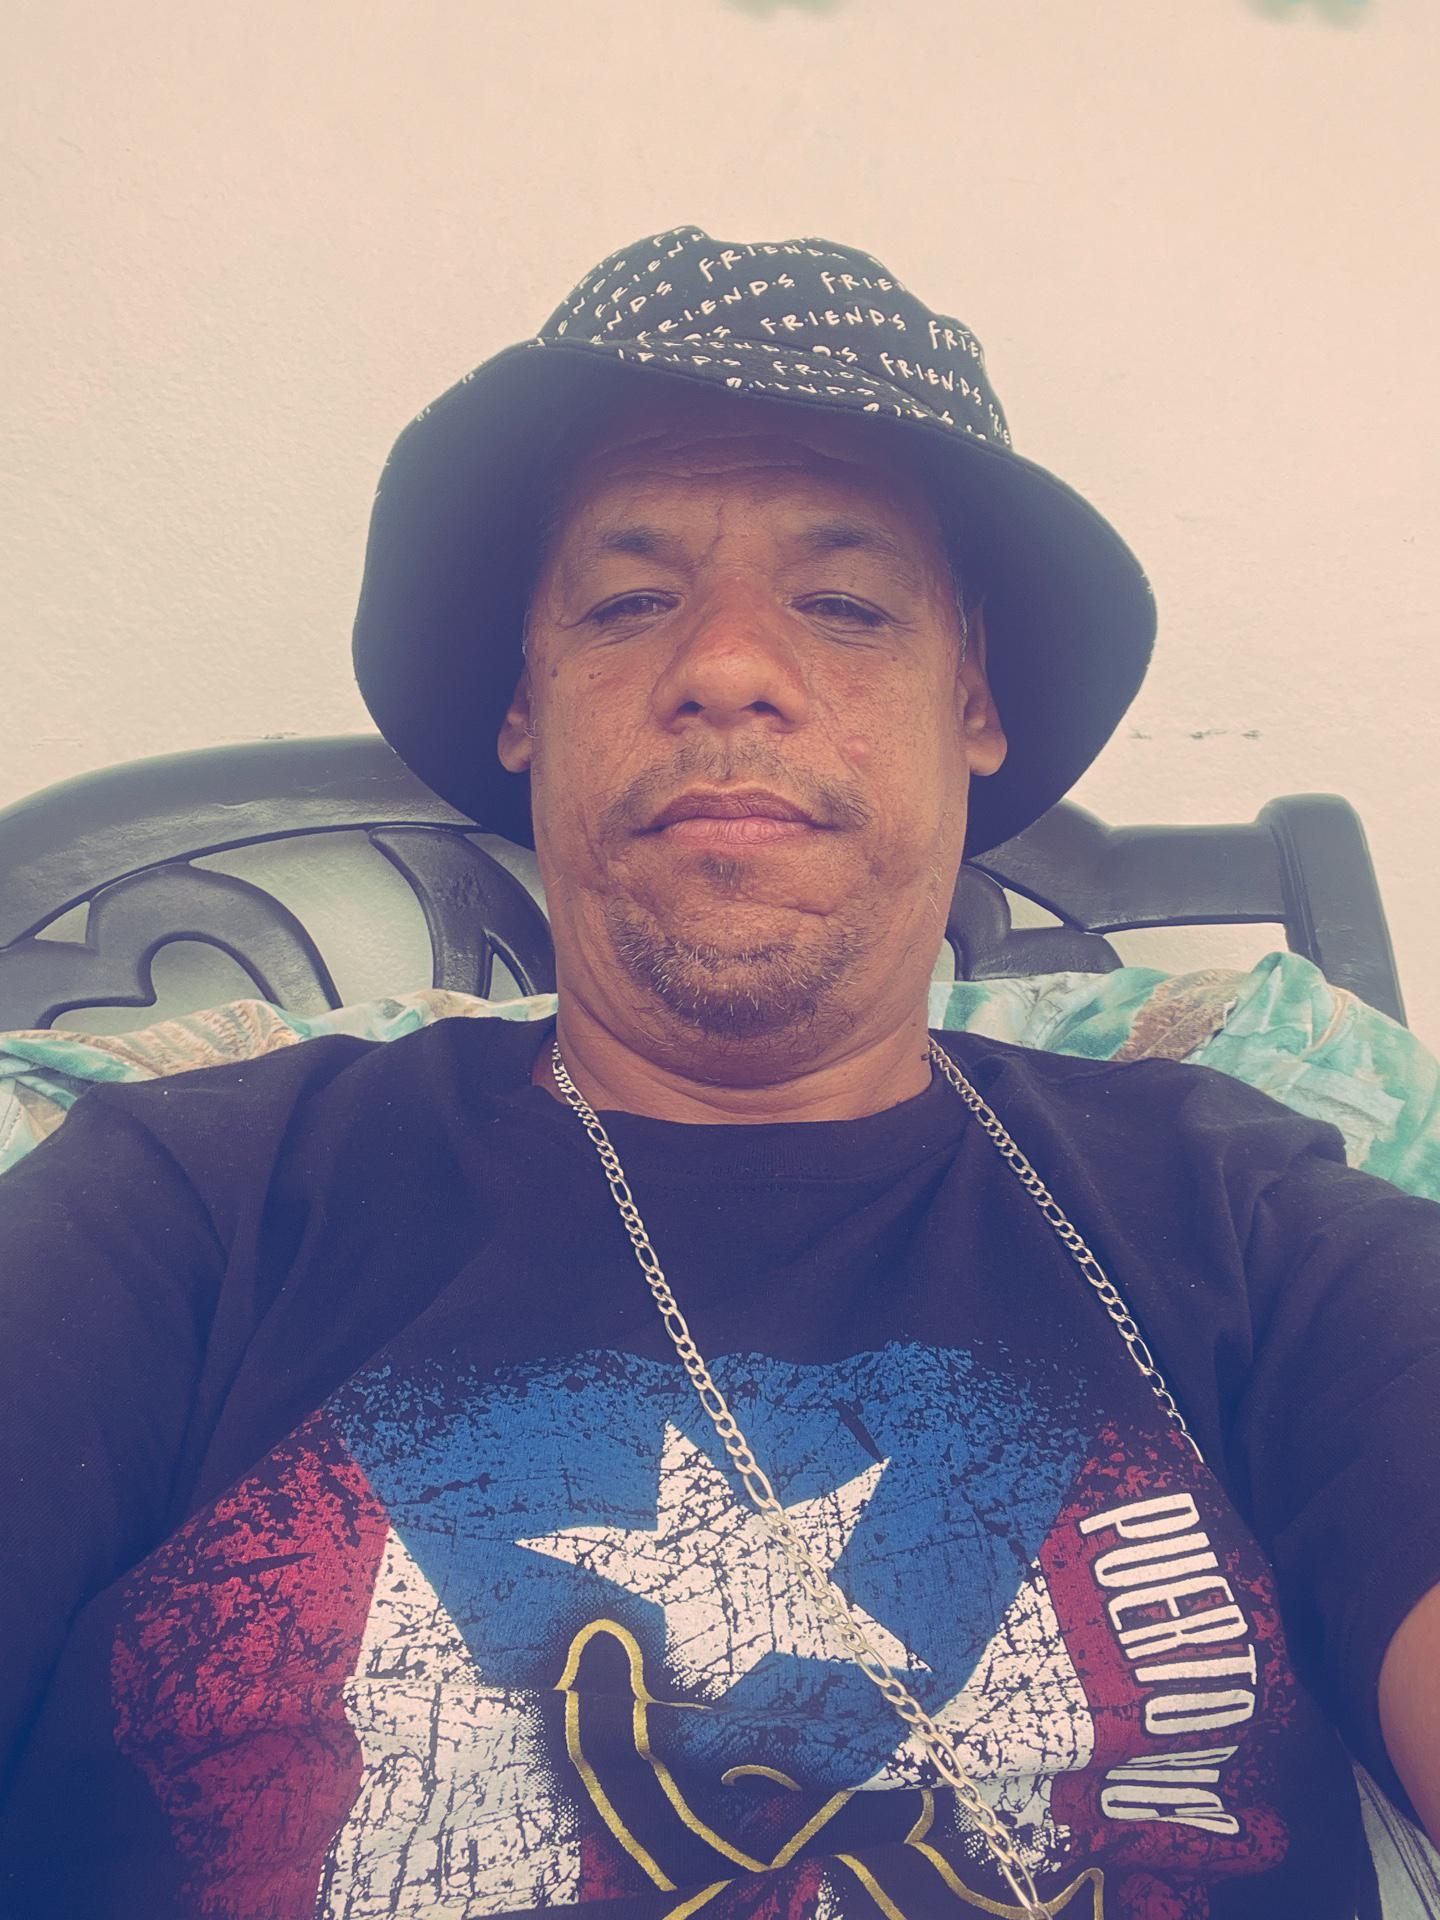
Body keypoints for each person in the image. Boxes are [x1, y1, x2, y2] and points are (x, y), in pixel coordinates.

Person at [1, 226, 1438, 1920]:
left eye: (844, 604)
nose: (729, 667)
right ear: (526, 705)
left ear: (971, 701)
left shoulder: (1243, 1209)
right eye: (629, 603)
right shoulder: (185, 1203)